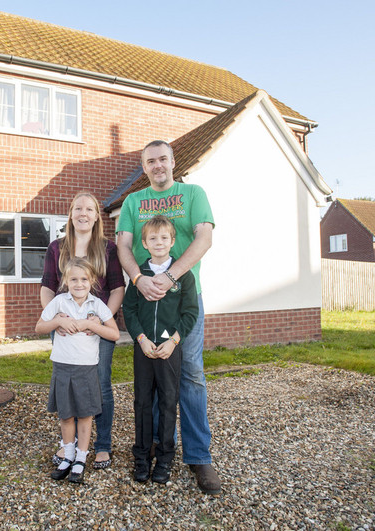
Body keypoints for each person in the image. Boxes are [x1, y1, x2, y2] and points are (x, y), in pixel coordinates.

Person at [116, 140, 221, 495]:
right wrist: (139, 279)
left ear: (173, 161)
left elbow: (204, 239)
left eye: (163, 159)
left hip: (183, 300)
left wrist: (170, 276)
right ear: (143, 166)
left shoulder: (193, 194)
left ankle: (198, 456)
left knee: (189, 375)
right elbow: (124, 246)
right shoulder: (133, 201)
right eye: (150, 161)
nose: (157, 165)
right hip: (146, 299)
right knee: (155, 379)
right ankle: (161, 452)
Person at [40, 192, 125, 469]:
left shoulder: (108, 248)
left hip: (96, 327)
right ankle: (71, 444)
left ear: (97, 215)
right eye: (78, 208)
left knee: (99, 385)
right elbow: (47, 287)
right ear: (71, 213)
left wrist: (101, 322)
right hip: (64, 327)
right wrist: (56, 317)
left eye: (89, 209)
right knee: (67, 386)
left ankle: (102, 445)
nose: (83, 213)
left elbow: (116, 288)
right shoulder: (56, 248)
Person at [122, 215, 198, 484]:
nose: (158, 242)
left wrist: (173, 341)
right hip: (144, 347)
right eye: (152, 238)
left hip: (168, 348)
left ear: (172, 241)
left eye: (164, 238)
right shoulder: (138, 277)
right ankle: (141, 457)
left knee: (167, 403)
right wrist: (141, 338)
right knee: (142, 403)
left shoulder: (183, 276)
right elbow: (129, 310)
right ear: (144, 242)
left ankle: (165, 459)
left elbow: (190, 313)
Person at [35, 258, 121, 484]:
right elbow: (39, 327)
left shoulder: (97, 306)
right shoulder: (59, 303)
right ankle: (68, 455)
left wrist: (93, 325)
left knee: (84, 415)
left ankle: (81, 458)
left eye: (84, 279)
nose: (79, 284)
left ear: (92, 281)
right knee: (66, 415)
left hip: (86, 369)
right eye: (73, 279)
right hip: (63, 367)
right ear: (65, 281)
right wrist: (57, 322)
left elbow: (114, 334)